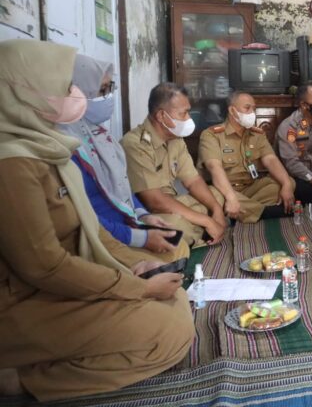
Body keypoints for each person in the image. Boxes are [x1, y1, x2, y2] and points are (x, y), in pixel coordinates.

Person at [0, 40, 194, 401]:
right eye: (63, 87)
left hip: (77, 274)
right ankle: (22, 382)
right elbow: (44, 268)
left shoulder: (50, 148)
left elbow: (90, 224)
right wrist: (137, 286)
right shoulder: (12, 164)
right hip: (26, 302)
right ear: (24, 91)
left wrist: (132, 271)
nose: (76, 95)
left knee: (176, 298)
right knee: (169, 331)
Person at [59, 55, 188, 261]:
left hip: (126, 224)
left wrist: (143, 215)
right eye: (102, 91)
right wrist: (140, 237)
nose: (109, 97)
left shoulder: (101, 136)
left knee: (177, 244)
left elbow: (121, 188)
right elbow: (81, 218)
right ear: (75, 93)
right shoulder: (65, 146)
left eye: (110, 89)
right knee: (172, 252)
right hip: (101, 237)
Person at [121, 83, 227, 247]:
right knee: (175, 226)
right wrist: (206, 220)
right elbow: (154, 201)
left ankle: (199, 235)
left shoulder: (175, 138)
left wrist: (217, 210)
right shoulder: (135, 144)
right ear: (162, 116)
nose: (188, 119)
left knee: (217, 196)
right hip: (151, 213)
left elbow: (193, 181)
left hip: (174, 203)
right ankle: (199, 235)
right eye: (183, 113)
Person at [198, 91, 295, 222]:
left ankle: (242, 212)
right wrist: (231, 197)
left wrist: (287, 185)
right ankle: (263, 213)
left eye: (254, 108)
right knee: (214, 195)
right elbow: (215, 168)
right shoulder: (211, 135)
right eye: (247, 108)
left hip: (250, 189)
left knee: (285, 181)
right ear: (232, 111)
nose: (252, 112)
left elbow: (271, 160)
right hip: (224, 190)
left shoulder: (257, 134)